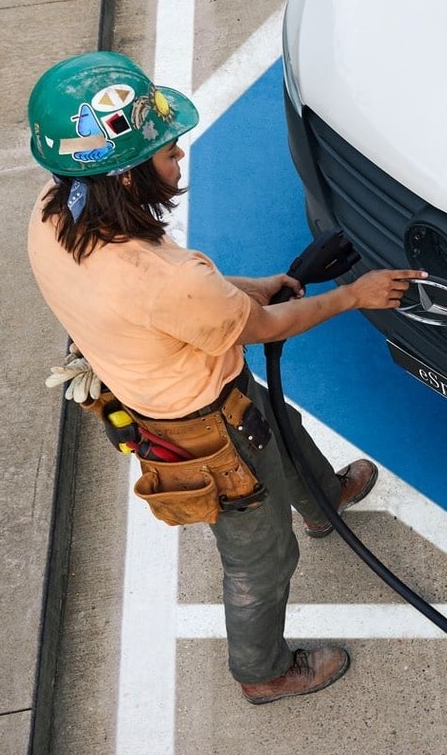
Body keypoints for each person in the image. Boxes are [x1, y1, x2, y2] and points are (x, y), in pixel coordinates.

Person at [26, 51, 425, 704]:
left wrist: (252, 286)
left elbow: (184, 297)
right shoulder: (166, 281)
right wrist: (354, 296)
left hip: (159, 385)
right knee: (260, 557)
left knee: (284, 431)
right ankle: (263, 672)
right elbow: (255, 326)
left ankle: (323, 502)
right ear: (125, 176)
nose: (178, 155)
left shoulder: (55, 213)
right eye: (166, 152)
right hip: (206, 427)